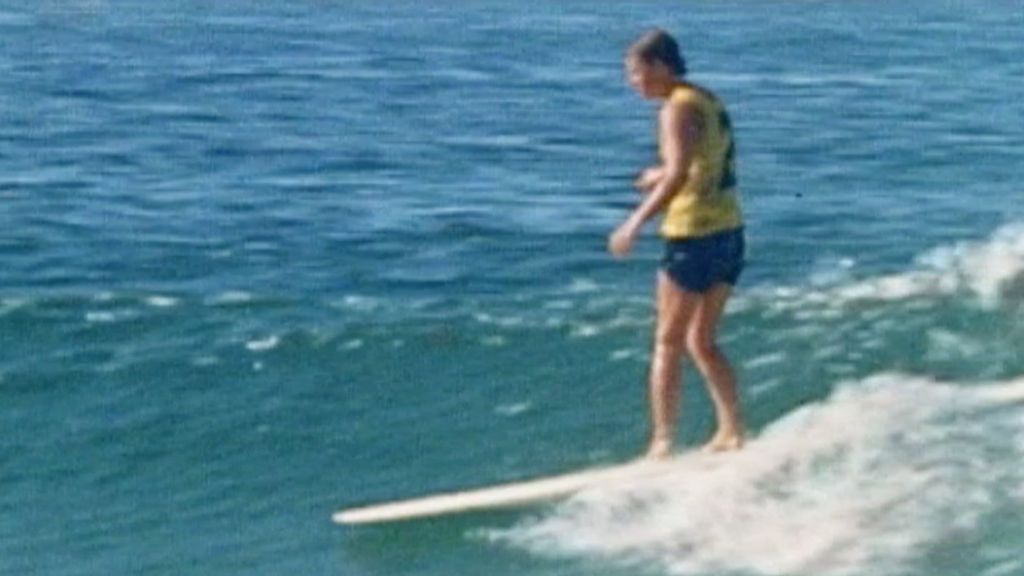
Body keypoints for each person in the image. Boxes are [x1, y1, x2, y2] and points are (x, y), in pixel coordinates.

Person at [609, 29, 746, 459]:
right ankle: (732, 430)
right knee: (702, 341)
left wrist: (633, 223)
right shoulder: (704, 99)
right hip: (729, 232)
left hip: (693, 236)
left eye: (636, 71)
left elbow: (677, 175)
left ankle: (662, 441)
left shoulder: (675, 109)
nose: (633, 82)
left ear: (660, 66)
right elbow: (697, 165)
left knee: (668, 342)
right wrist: (661, 173)